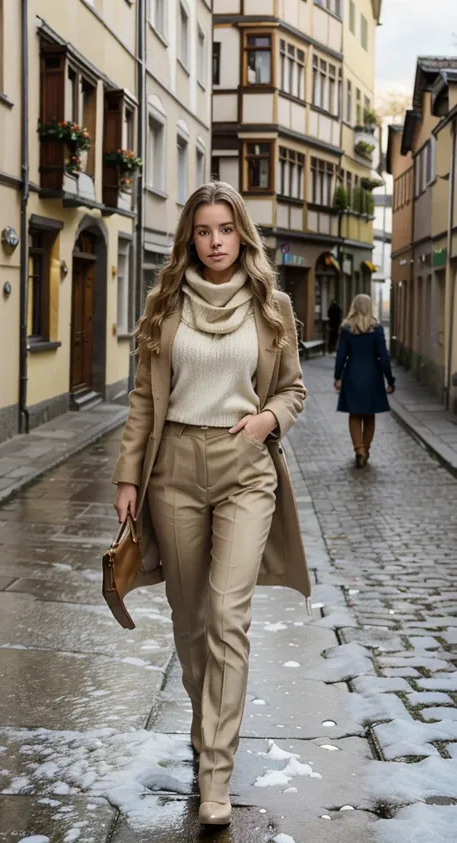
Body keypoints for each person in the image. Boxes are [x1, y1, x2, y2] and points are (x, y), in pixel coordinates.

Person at [112, 182, 311, 826]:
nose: (216, 241)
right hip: (171, 470)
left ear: (241, 233)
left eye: (226, 229)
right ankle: (208, 726)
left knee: (229, 615)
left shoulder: (271, 306)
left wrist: (265, 422)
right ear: (189, 239)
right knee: (191, 622)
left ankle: (216, 768)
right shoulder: (164, 305)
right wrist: (127, 478)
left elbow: (293, 389)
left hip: (245, 470)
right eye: (204, 231)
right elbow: (144, 399)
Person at [334, 293, 395, 467]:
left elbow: (341, 355)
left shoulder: (346, 327)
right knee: (369, 415)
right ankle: (366, 450)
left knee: (354, 414)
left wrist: (338, 377)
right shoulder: (376, 328)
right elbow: (384, 357)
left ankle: (358, 448)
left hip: (352, 373)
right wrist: (390, 380)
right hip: (372, 376)